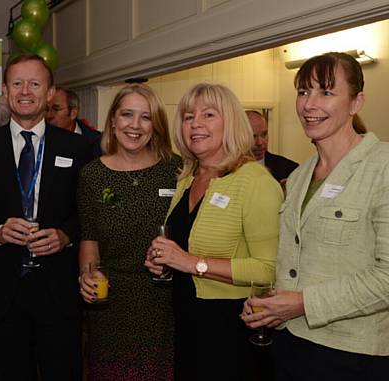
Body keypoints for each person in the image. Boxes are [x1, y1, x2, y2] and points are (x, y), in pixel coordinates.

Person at [242, 52, 389, 380]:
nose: (309, 105)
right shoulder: (298, 176)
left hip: (352, 356)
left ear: (356, 102)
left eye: (326, 92)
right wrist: (272, 305)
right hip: (291, 345)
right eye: (303, 92)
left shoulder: (383, 168)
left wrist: (303, 303)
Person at [0, 53, 90, 381]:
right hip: (4, 291)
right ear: (5, 90)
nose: (25, 91)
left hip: (58, 291)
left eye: (35, 83)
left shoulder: (78, 149)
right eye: (17, 83)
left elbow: (88, 212)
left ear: (50, 93)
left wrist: (65, 236)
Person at [145, 83, 283, 381]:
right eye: (188, 116)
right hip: (187, 318)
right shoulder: (188, 177)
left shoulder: (255, 182)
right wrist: (163, 262)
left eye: (208, 114)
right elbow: (181, 247)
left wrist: (189, 262)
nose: (195, 123)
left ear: (231, 122)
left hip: (232, 326)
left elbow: (270, 268)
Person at [77, 84, 181, 380]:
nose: (135, 126)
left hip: (163, 302)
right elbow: (89, 236)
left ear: (156, 124)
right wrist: (87, 275)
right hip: (109, 304)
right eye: (127, 115)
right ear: (112, 120)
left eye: (145, 117)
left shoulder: (177, 169)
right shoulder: (92, 175)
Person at [46, 87, 102, 158]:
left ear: (73, 113)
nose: (48, 115)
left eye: (56, 109)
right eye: (46, 109)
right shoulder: (40, 138)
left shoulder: (97, 142)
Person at [247, 110, 298, 184]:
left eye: (264, 134)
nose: (260, 142)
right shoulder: (227, 170)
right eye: (253, 136)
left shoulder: (290, 169)